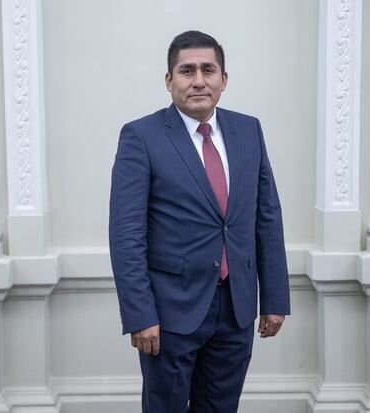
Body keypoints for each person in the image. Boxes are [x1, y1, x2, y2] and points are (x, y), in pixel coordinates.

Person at [109, 30, 290, 412]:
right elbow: (127, 234)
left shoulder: (249, 130)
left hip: (237, 309)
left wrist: (274, 298)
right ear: (169, 80)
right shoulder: (141, 136)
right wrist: (140, 314)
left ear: (224, 79)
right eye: (187, 70)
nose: (198, 81)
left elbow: (267, 218)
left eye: (208, 70)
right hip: (169, 312)